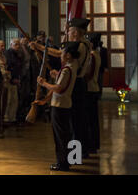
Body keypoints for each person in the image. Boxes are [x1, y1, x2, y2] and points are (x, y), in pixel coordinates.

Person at [31, 18, 92, 159]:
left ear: (76, 33)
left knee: (73, 123)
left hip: (74, 85)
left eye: (69, 31)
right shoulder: (87, 44)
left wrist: (39, 47)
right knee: (78, 121)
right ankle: (81, 153)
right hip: (77, 82)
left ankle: (75, 156)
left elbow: (60, 54)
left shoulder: (79, 45)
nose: (68, 33)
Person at [35, 42, 79, 171]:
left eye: (62, 54)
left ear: (69, 56)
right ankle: (65, 161)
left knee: (60, 136)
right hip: (65, 104)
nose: (60, 56)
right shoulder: (73, 66)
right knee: (64, 134)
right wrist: (57, 76)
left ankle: (62, 163)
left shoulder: (66, 70)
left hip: (60, 106)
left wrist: (44, 83)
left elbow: (59, 89)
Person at [85, 33, 101, 154]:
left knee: (90, 120)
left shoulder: (92, 55)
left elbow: (89, 74)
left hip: (90, 89)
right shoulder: (97, 54)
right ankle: (94, 144)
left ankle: (91, 145)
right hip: (94, 88)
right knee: (93, 119)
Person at [0, 40, 10, 134]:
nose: (3, 48)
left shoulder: (3, 56)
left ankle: (2, 120)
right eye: (1, 46)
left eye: (4, 45)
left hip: (5, 81)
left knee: (4, 102)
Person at [5, 38, 22, 123]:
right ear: (11, 45)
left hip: (15, 79)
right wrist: (12, 78)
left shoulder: (17, 54)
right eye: (15, 44)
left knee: (14, 100)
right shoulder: (8, 53)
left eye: (18, 44)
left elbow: (18, 67)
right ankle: (6, 118)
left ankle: (12, 118)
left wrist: (18, 79)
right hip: (9, 79)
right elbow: (9, 66)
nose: (17, 46)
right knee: (8, 100)